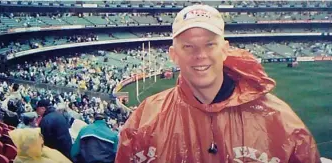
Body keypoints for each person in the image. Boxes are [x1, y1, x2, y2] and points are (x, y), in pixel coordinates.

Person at [115, 5, 320, 163]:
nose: (200, 55)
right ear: (173, 55)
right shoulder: (144, 119)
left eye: (210, 44)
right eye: (188, 46)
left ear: (224, 50)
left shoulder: (280, 120)